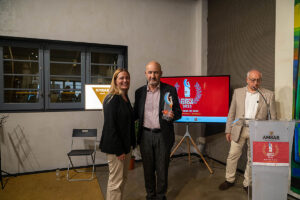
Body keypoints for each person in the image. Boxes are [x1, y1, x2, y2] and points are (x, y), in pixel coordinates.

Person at [219, 69, 277, 192]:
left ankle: (247, 184)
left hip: (257, 131)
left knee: (252, 159)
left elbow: (273, 117)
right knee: (232, 155)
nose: (255, 83)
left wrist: (270, 134)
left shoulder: (268, 94)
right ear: (247, 80)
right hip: (239, 129)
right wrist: (228, 130)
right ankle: (229, 179)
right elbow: (232, 112)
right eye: (253, 80)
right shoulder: (238, 92)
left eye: (258, 80)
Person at [134, 61, 182, 200]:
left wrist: (174, 115)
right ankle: (150, 195)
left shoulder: (170, 90)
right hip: (145, 136)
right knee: (148, 169)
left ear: (161, 73)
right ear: (145, 74)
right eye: (150, 72)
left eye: (155, 72)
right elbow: (136, 114)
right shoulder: (139, 92)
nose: (153, 75)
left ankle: (161, 196)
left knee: (162, 168)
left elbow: (178, 111)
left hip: (163, 136)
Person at [99, 68, 136, 200]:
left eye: (127, 77)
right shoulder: (112, 99)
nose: (125, 80)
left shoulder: (124, 97)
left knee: (122, 179)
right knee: (115, 182)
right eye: (121, 78)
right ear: (115, 80)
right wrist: (119, 150)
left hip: (126, 146)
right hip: (117, 149)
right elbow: (110, 127)